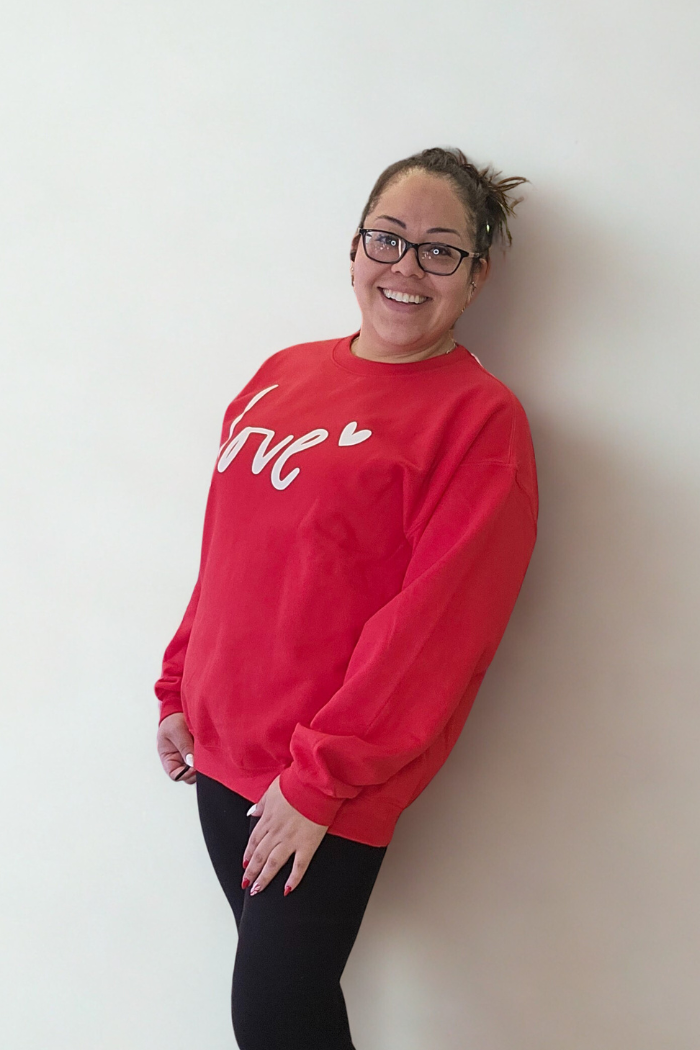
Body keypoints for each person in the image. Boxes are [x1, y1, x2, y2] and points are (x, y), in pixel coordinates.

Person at [154, 145, 538, 1050]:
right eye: (388, 238)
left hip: (322, 778)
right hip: (220, 753)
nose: (407, 267)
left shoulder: (479, 420)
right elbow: (229, 550)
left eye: (440, 250)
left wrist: (318, 780)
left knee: (274, 1019)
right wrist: (178, 685)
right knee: (289, 1016)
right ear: (355, 247)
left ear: (477, 275)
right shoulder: (280, 374)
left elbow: (439, 629)